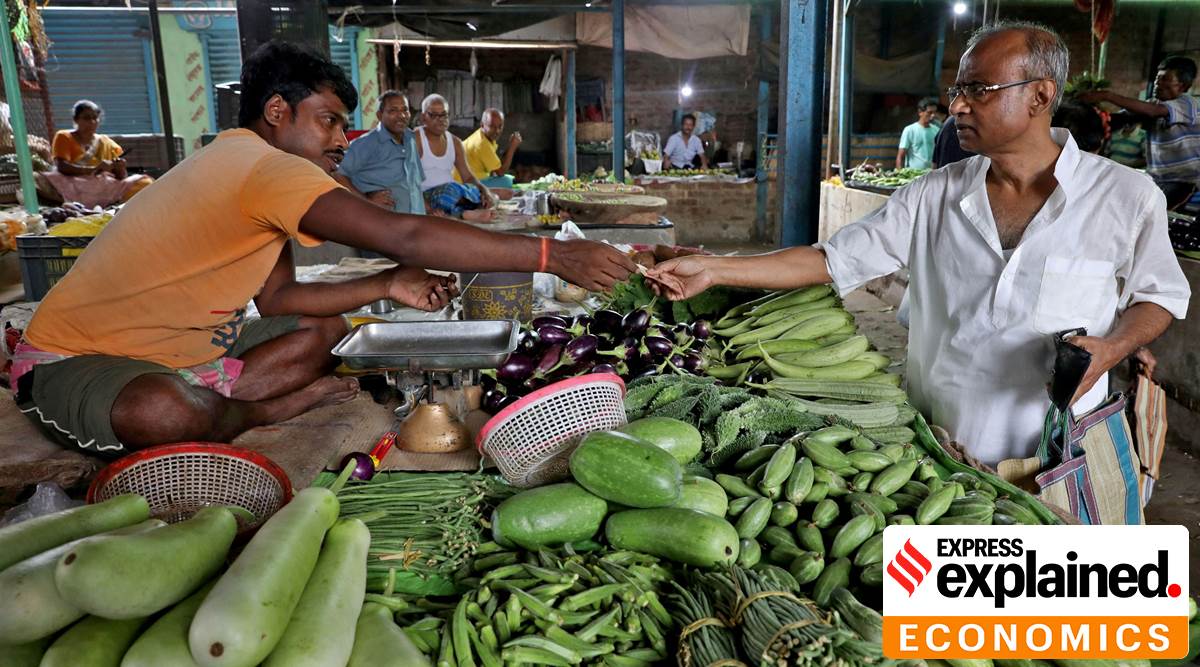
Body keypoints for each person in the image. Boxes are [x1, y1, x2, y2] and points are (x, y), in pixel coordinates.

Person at [13, 42, 635, 455]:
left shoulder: (250, 167)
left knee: (325, 330)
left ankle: (218, 400)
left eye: (344, 123)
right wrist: (554, 255)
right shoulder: (261, 166)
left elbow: (280, 296)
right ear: (277, 111)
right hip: (80, 358)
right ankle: (252, 413)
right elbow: (406, 233)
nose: (343, 137)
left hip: (192, 355)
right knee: (163, 414)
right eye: (329, 120)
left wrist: (389, 284)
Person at [646, 21, 1189, 467]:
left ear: (1040, 96)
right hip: (940, 444)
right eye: (958, 90)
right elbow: (830, 261)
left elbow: (1159, 296)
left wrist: (1115, 347)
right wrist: (715, 269)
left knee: (1048, 589)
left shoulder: (1125, 196)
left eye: (980, 90)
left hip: (1061, 450)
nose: (957, 107)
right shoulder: (933, 196)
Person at [1081, 56, 1200, 210]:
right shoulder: (1152, 104)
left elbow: (1153, 112)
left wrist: (1107, 96)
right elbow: (1120, 118)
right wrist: (1090, 113)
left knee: (1152, 212)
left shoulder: (1187, 104)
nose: (1158, 84)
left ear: (1182, 86)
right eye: (1157, 79)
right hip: (1158, 178)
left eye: (1165, 79)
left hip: (1186, 180)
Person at [37, 100, 154, 207]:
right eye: (86, 118)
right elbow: (62, 167)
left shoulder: (105, 142)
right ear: (76, 120)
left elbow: (120, 178)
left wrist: (120, 168)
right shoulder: (64, 137)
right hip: (74, 183)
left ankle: (113, 203)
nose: (92, 122)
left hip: (103, 184)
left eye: (95, 118)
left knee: (146, 183)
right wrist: (93, 169)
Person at [333, 90, 425, 216]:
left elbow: (414, 185)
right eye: (393, 110)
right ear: (379, 115)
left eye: (405, 110)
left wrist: (428, 209)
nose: (402, 115)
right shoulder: (366, 143)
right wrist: (365, 200)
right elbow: (338, 175)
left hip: (414, 220)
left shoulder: (411, 138)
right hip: (383, 222)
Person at [415, 94, 496, 222]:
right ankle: (465, 213)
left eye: (444, 115)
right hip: (426, 196)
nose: (440, 119)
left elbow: (468, 177)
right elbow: (410, 183)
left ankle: (463, 212)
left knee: (484, 193)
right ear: (423, 117)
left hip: (453, 193)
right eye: (434, 115)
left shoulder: (455, 142)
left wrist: (484, 192)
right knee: (448, 192)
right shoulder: (416, 139)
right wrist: (429, 209)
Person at [460, 108, 522, 191]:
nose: (497, 131)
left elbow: (496, 167)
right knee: (506, 181)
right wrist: (512, 147)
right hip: (465, 185)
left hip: (471, 179)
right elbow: (501, 172)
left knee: (507, 178)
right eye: (492, 126)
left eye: (500, 126)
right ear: (482, 125)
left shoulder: (483, 136)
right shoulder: (482, 144)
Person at [896, 97, 940, 170]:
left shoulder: (937, 130)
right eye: (929, 112)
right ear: (920, 112)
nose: (933, 115)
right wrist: (899, 173)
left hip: (931, 174)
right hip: (913, 174)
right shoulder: (909, 130)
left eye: (935, 112)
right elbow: (901, 156)